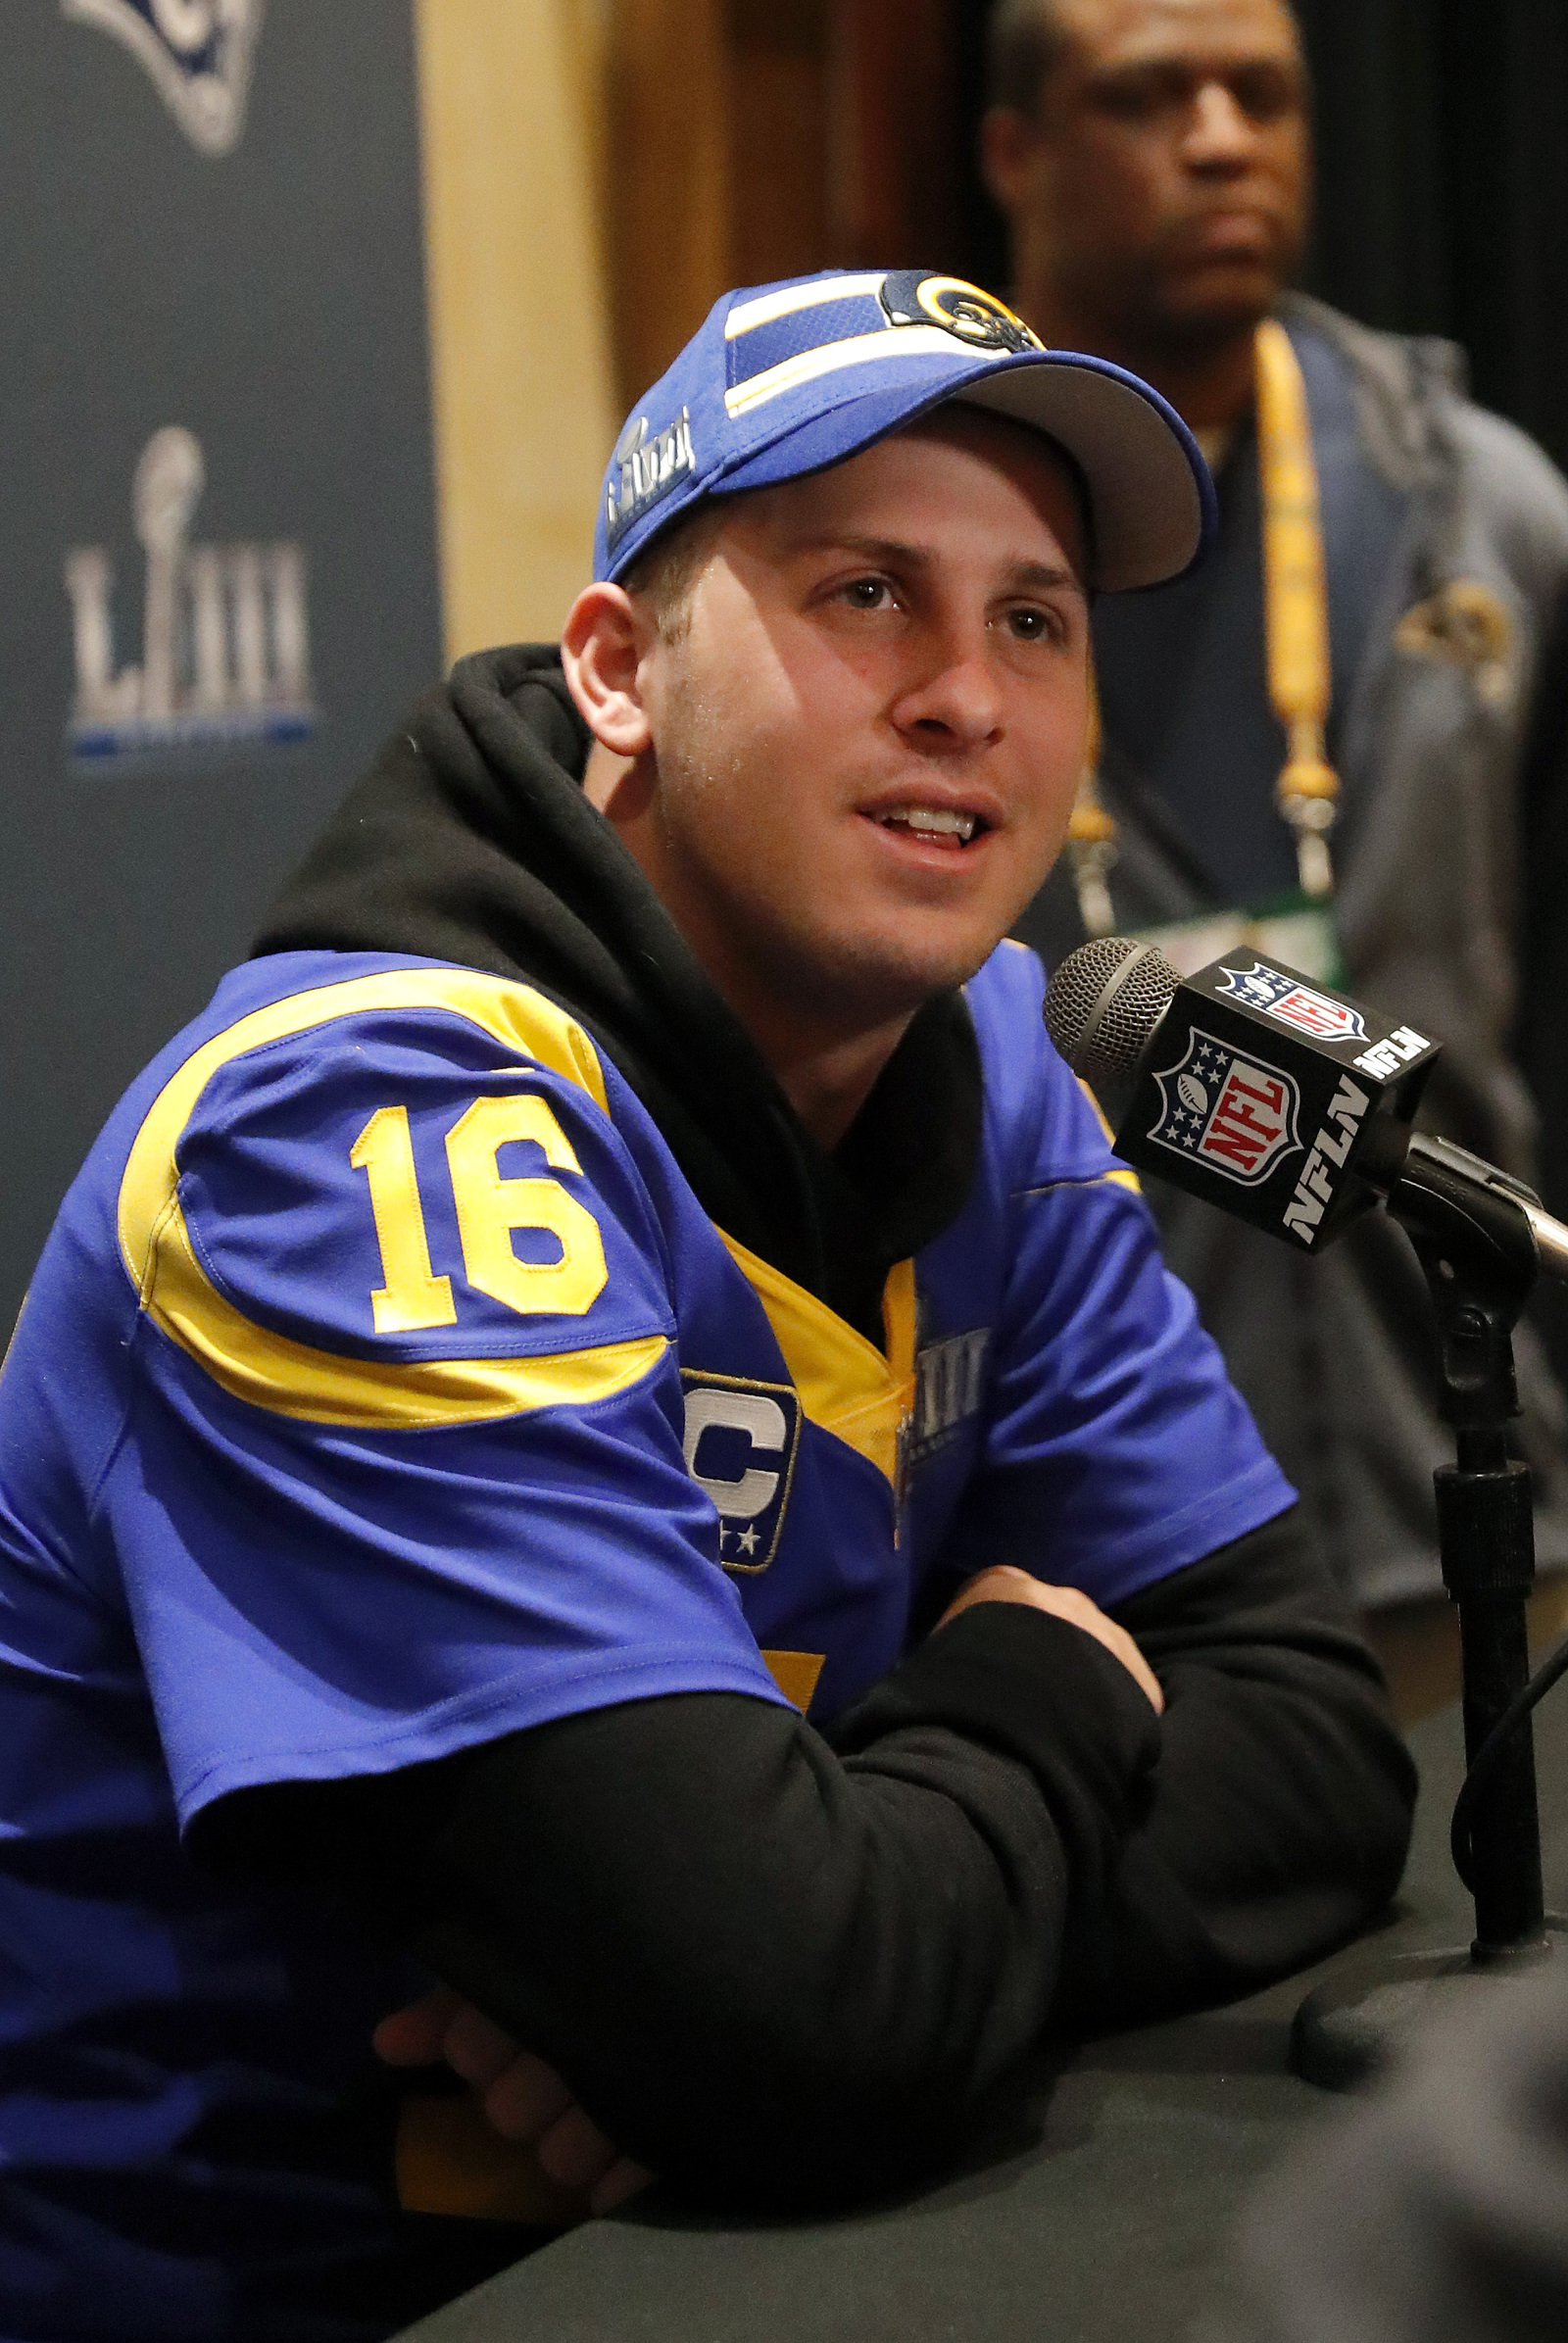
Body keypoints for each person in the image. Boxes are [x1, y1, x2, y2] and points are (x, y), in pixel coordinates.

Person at [0, 268, 1415, 2343]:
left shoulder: (997, 1052)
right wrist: (1040, 1695)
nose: (966, 694)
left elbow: (1309, 1740)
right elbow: (788, 2012)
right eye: (867, 594)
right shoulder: (349, 1139)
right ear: (617, 671)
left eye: (1034, 619)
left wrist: (836, 1930)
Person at [981, 0, 1568, 1635]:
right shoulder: (927, 535)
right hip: (1101, 1570)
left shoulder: (1484, 511)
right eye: (1150, 95)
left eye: (1263, 93)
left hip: (1482, 1513)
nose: (1223, 138)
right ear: (1014, 152)